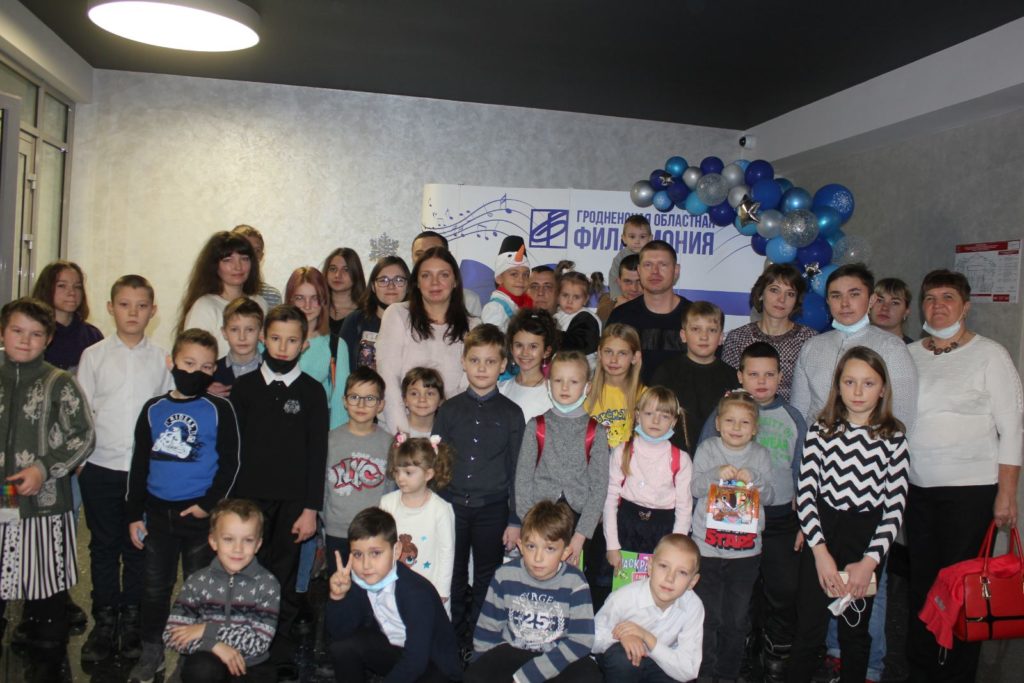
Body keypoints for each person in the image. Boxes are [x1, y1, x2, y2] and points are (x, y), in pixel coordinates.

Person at [905, 269, 1022, 683]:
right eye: (930, 298)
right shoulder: (910, 354)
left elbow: (1013, 428)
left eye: (948, 297)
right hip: (917, 489)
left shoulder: (990, 355)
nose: (938, 305)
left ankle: (955, 674)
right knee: (922, 584)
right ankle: (922, 668)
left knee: (963, 588)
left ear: (966, 306)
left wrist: (1007, 494)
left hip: (970, 492)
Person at [126, 327, 241, 683]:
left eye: (206, 367)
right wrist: (134, 514)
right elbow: (139, 463)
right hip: (157, 515)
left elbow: (231, 463)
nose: (196, 372)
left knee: (197, 589)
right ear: (171, 362)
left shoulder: (219, 408)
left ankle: (190, 654)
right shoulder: (153, 409)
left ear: (214, 370)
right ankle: (152, 650)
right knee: (154, 587)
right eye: (188, 363)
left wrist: (209, 505)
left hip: (199, 517)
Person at [789, 347, 909, 683]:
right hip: (822, 533)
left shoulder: (894, 437)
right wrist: (820, 554)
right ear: (838, 386)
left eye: (868, 383)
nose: (858, 391)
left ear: (882, 389)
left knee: (855, 631)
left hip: (866, 538)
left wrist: (870, 562)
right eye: (849, 382)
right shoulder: (821, 429)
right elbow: (807, 493)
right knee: (809, 629)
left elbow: (895, 506)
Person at [229, 304, 329, 681]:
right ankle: (244, 642)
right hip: (248, 502)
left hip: (293, 503)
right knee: (247, 571)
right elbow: (233, 449)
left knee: (284, 576)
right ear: (262, 339)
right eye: (275, 338)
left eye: (291, 340)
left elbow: (317, 454)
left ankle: (279, 648)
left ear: (304, 344)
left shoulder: (312, 392)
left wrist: (310, 509)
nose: (282, 348)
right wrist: (231, 505)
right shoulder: (244, 388)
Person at [77, 275, 173, 664]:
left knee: (139, 547)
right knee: (103, 546)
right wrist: (81, 463)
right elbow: (81, 412)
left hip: (144, 473)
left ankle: (133, 620)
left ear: (153, 311)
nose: (133, 312)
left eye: (141, 305)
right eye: (124, 304)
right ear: (110, 308)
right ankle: (104, 621)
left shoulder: (162, 359)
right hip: (101, 467)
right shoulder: (94, 356)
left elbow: (168, 414)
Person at [698, 342, 807, 683]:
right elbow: (698, 475)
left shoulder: (792, 418)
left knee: (780, 590)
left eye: (769, 374)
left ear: (781, 377)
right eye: (754, 374)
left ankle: (773, 650)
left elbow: (803, 467)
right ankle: (732, 655)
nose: (761, 381)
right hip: (720, 530)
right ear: (741, 376)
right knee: (730, 603)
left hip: (777, 519)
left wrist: (803, 513)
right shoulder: (717, 423)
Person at [0, 298, 95, 681]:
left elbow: (83, 436)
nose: (25, 340)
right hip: (2, 501)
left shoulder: (60, 383)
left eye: (36, 334)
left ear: (49, 339)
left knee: (45, 587)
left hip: (44, 502)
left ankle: (48, 652)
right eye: (17, 331)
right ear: (2, 332)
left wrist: (44, 469)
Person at [433, 324, 525, 647]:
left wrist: (515, 519)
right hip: (452, 506)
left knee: (487, 575)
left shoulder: (512, 414)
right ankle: (453, 637)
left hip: (493, 509)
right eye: (475, 360)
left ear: (503, 365)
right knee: (453, 572)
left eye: (490, 361)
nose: (482, 368)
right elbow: (438, 464)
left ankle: (478, 640)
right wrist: (436, 508)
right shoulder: (448, 410)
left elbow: (517, 469)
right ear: (463, 362)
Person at [514, 350, 611, 604]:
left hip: (578, 520)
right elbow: (523, 479)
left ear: (587, 387)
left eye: (573, 381)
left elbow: (599, 487)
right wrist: (529, 523)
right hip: (539, 516)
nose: (565, 387)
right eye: (558, 380)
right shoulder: (536, 426)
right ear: (548, 384)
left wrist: (581, 536)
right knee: (537, 580)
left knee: (571, 586)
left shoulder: (597, 431)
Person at [690, 390, 774, 683]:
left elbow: (771, 496)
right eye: (729, 420)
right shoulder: (708, 449)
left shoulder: (761, 455)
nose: (736, 427)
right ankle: (704, 674)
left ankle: (727, 675)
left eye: (744, 422)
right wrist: (715, 473)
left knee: (736, 620)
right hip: (707, 548)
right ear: (717, 423)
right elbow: (694, 488)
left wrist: (756, 479)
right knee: (707, 616)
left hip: (745, 553)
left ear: (755, 428)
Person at [466, 500, 600, 682]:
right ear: (520, 546)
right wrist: (483, 668)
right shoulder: (505, 575)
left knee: (588, 674)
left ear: (565, 552)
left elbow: (581, 640)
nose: (538, 557)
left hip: (555, 657)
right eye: (531, 546)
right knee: (475, 675)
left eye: (550, 549)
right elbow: (487, 631)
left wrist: (530, 675)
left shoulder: (576, 582)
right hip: (513, 653)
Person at [325, 507, 462, 683]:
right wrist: (337, 598)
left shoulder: (416, 593)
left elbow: (416, 662)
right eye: (357, 554)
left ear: (396, 551)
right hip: (396, 651)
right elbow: (339, 633)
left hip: (433, 667)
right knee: (342, 647)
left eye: (375, 553)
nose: (366, 565)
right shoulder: (361, 581)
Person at [791, 263, 918, 433]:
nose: (844, 303)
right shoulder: (811, 347)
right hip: (816, 445)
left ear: (871, 300)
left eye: (854, 294)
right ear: (827, 301)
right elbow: (799, 412)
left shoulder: (892, 348)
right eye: (836, 296)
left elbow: (903, 415)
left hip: (871, 446)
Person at [163, 499, 280, 682]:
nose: (238, 549)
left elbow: (258, 643)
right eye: (228, 539)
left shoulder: (268, 584)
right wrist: (214, 645)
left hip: (251, 665)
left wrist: (206, 630)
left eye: (248, 540)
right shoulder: (197, 581)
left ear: (258, 545)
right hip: (209, 659)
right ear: (213, 541)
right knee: (200, 669)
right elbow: (172, 634)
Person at [377, 246, 477, 433]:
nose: (434, 282)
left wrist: (446, 433)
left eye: (443, 275)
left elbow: (469, 386)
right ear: (416, 282)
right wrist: (402, 435)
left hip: (451, 431)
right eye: (426, 275)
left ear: (455, 281)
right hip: (397, 429)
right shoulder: (397, 314)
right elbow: (388, 377)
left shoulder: (473, 326)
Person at [593, 534, 704, 683]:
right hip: (623, 660)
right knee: (622, 660)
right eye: (663, 566)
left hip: (660, 661)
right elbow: (592, 636)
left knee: (674, 674)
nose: (670, 578)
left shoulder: (693, 606)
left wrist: (647, 637)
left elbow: (689, 669)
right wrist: (621, 636)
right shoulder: (624, 597)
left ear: (693, 581)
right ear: (650, 567)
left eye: (682, 572)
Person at [604, 387, 693, 568]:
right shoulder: (622, 451)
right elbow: (610, 498)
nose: (655, 420)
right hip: (624, 528)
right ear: (638, 415)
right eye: (649, 413)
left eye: (664, 416)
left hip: (663, 532)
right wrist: (612, 545)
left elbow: (684, 509)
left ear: (673, 421)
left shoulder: (681, 459)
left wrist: (675, 550)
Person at [323, 367, 393, 570]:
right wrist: (327, 518)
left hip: (375, 533)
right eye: (354, 397)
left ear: (381, 405)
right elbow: (321, 487)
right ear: (344, 401)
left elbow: (391, 489)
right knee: (339, 583)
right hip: (337, 531)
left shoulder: (389, 444)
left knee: (372, 584)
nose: (361, 405)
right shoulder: (329, 441)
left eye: (370, 398)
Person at [379, 435, 456, 613]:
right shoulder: (387, 503)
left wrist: (442, 590)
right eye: (397, 471)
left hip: (429, 589)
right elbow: (381, 544)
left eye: (408, 472)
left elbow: (446, 552)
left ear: (428, 474)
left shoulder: (441, 509)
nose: (400, 478)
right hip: (393, 586)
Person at [651, 300, 739, 455]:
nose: (704, 336)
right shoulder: (666, 373)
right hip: (672, 457)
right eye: (696, 329)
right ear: (683, 335)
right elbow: (653, 419)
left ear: (721, 337)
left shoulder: (733, 377)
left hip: (719, 460)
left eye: (712, 330)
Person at [721, 263, 817, 401]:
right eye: (774, 290)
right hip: (746, 413)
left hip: (793, 414)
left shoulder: (810, 340)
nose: (782, 299)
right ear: (761, 294)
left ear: (796, 301)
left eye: (790, 294)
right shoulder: (737, 338)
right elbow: (729, 392)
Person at [607, 240, 691, 383]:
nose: (655, 272)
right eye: (648, 265)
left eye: (663, 265)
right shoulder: (620, 316)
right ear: (639, 271)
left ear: (676, 270)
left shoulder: (695, 318)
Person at [177, 231, 268, 358]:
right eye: (228, 260)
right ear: (214, 266)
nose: (238, 267)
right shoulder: (204, 307)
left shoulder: (260, 303)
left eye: (244, 259)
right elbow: (193, 359)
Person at [285, 266, 349, 428]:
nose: (307, 305)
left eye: (314, 298)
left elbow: (339, 402)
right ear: (290, 301)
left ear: (324, 301)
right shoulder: (272, 341)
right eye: (300, 298)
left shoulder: (337, 346)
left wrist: (334, 440)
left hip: (318, 430)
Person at [338, 255, 410, 372]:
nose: (391, 286)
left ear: (408, 286)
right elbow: (341, 368)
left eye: (398, 280)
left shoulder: (418, 323)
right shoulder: (355, 320)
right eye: (383, 280)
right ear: (373, 286)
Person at [32, 260, 104, 373]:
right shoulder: (33, 333)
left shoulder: (92, 335)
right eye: (62, 286)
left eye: (77, 287)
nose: (72, 293)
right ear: (46, 288)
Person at [586, 323, 644, 449]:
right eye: (608, 352)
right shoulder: (585, 392)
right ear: (599, 353)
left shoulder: (645, 397)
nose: (613, 360)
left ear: (635, 357)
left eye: (622, 353)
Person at [499, 308, 557, 422]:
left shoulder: (551, 394)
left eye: (533, 346)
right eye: (519, 345)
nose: (525, 353)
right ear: (511, 348)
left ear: (546, 351)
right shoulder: (502, 388)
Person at [411, 230, 483, 316]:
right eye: (419, 254)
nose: (427, 258)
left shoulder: (469, 300)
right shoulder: (401, 300)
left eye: (433, 251)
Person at [210, 297, 264, 396]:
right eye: (234, 330)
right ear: (224, 333)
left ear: (261, 332)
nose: (242, 337)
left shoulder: (273, 370)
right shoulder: (211, 372)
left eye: (250, 330)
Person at [481, 235, 532, 332]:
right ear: (499, 278)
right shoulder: (495, 308)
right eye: (514, 274)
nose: (521, 280)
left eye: (525, 275)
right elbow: (492, 339)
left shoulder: (523, 304)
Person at [553, 261, 601, 360]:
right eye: (565, 295)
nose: (570, 301)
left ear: (586, 299)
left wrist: (552, 334)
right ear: (557, 295)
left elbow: (580, 344)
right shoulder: (556, 315)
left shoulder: (587, 318)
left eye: (576, 297)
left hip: (584, 367)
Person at [232, 224, 282, 307]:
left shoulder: (272, 296)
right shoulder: (213, 296)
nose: (252, 255)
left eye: (257, 251)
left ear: (261, 256)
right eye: (245, 250)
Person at [607, 214, 653, 302]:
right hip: (624, 297)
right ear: (624, 238)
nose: (637, 241)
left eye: (642, 237)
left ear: (650, 238)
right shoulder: (620, 257)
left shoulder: (653, 258)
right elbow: (613, 277)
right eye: (632, 237)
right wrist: (618, 297)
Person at [323, 247, 367, 336]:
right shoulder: (315, 309)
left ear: (356, 273)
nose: (337, 275)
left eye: (346, 270)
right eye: (333, 269)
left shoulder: (366, 314)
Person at [597, 253, 642, 322]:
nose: (634, 288)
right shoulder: (607, 304)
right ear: (619, 282)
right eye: (627, 281)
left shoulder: (658, 305)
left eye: (639, 282)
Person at [402, 367, 445, 437]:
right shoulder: (393, 430)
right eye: (414, 394)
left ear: (440, 400)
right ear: (405, 400)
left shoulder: (447, 432)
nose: (422, 399)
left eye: (430, 394)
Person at [869, 277, 914, 343]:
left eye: (894, 303)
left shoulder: (912, 348)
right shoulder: (855, 342)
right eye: (879, 300)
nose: (884, 308)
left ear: (906, 312)